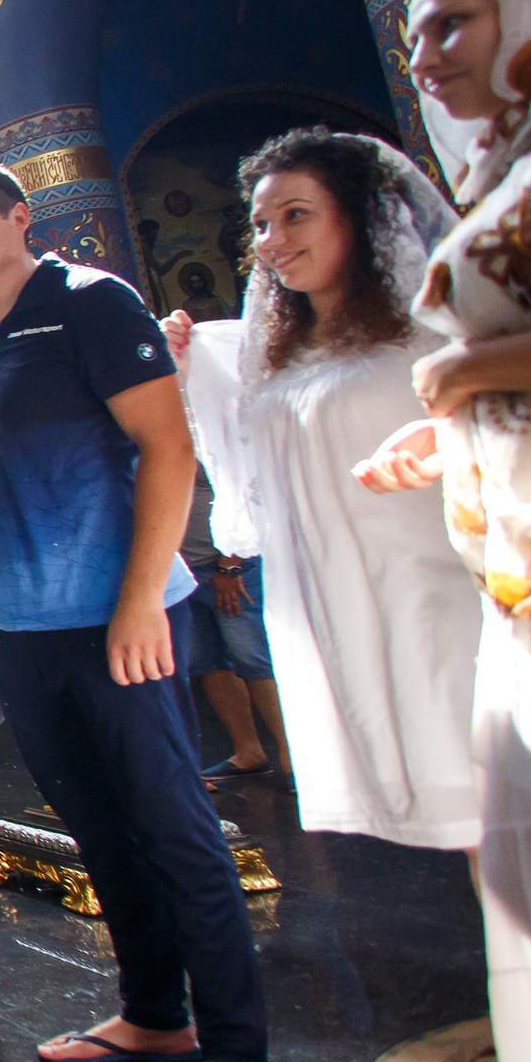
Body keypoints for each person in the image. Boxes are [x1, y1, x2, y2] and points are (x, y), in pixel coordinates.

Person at [0, 161, 290, 1062]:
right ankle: (155, 1014)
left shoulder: (90, 302)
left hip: (118, 620)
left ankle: (241, 1058)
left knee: (174, 828)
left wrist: (138, 601)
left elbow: (168, 447)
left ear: (19, 218)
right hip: (22, 630)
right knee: (98, 828)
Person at [355, 0, 531, 1062]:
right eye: (415, 32)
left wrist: (458, 378)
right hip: (522, 570)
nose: (424, 53)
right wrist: (447, 430)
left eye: (453, 23)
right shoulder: (505, 162)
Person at [165, 130, 475, 846]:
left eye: (296, 215)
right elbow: (234, 444)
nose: (273, 240)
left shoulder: (435, 322)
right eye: (261, 224)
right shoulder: (275, 347)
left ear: (357, 216)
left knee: (499, 794)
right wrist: (184, 363)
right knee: (460, 820)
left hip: (442, 586)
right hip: (342, 598)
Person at [168, 324, 289, 780]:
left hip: (230, 565)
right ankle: (248, 750)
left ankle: (292, 757)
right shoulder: (151, 421)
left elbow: (238, 489)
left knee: (255, 660)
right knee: (208, 663)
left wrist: (230, 564)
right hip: (183, 570)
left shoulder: (208, 417)